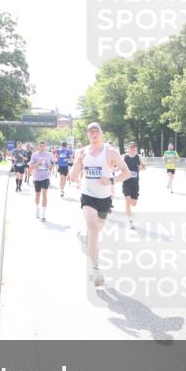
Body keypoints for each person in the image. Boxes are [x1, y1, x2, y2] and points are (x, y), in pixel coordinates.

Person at [69, 122, 132, 287]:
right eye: (91, 132)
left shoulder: (110, 152)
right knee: (93, 229)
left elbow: (126, 173)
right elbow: (73, 178)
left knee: (94, 233)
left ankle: (85, 239)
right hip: (88, 196)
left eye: (97, 131)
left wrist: (111, 180)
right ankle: (96, 270)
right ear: (87, 135)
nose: (94, 134)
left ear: (101, 133)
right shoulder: (81, 152)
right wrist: (77, 163)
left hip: (105, 199)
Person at [122, 142, 146, 229]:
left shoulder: (138, 157)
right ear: (128, 148)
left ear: (135, 148)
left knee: (134, 203)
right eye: (131, 147)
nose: (132, 148)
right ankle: (130, 221)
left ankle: (129, 213)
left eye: (134, 147)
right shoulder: (124, 157)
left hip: (135, 183)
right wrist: (117, 168)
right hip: (126, 182)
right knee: (127, 201)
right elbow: (118, 165)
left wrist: (141, 168)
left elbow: (145, 167)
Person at [29, 140, 53, 221]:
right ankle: (37, 208)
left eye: (44, 146)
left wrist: (49, 165)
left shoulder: (49, 155)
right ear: (38, 147)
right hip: (37, 178)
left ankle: (43, 214)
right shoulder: (34, 155)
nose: (42, 148)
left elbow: (51, 167)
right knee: (37, 195)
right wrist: (37, 163)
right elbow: (30, 167)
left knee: (44, 195)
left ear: (46, 146)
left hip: (46, 177)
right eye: (41, 146)